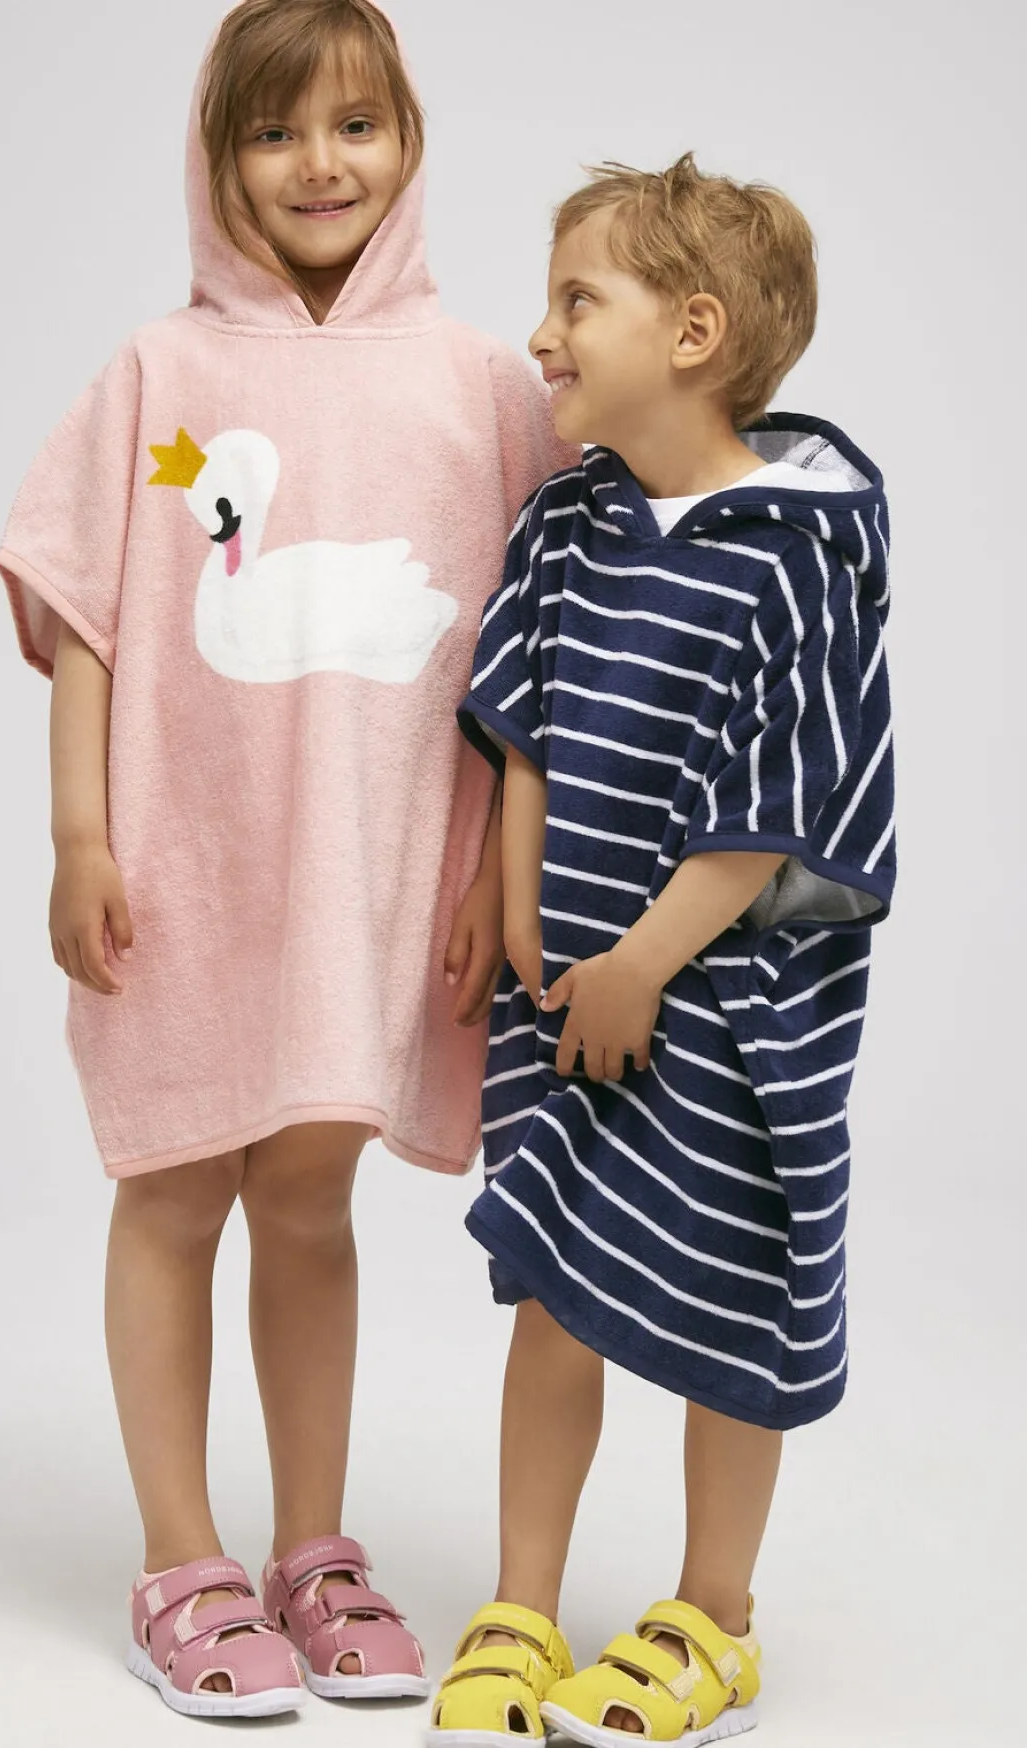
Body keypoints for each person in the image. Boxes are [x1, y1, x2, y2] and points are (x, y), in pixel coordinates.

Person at [0, 0, 567, 1720]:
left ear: (408, 143)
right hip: (194, 868)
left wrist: (500, 871)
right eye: (274, 131)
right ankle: (180, 1557)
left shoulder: (479, 385)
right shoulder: (165, 383)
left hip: (373, 879)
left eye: (356, 125)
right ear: (216, 157)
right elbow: (99, 597)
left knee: (310, 1198)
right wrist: (80, 830)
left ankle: (312, 1547)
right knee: (175, 1184)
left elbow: (539, 650)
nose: (321, 164)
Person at [431, 155, 895, 1746]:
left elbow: (780, 801)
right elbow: (525, 718)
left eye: (579, 301)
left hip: (727, 1007)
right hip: (564, 989)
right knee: (555, 1290)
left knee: (730, 1299)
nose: (541, 334)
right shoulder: (571, 520)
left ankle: (715, 1615)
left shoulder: (798, 554)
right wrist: (517, 903)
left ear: (692, 332)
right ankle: (524, 1603)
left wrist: (646, 962)